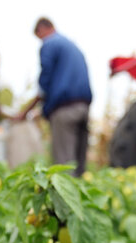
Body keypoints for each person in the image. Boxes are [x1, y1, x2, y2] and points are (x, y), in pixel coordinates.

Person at [16, 17, 92, 176]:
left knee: (63, 165)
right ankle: (80, 199)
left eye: (39, 37)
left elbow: (45, 81)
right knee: (78, 165)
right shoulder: (72, 46)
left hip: (64, 109)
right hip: (83, 107)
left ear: (43, 29)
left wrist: (27, 110)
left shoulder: (49, 43)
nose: (40, 40)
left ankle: (64, 200)